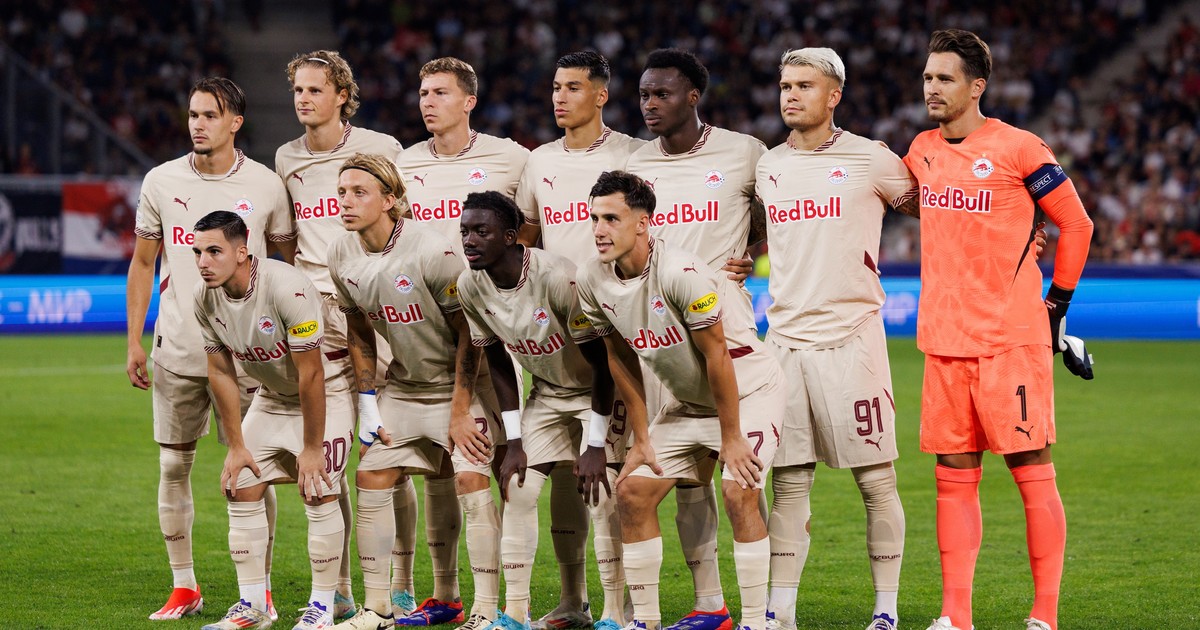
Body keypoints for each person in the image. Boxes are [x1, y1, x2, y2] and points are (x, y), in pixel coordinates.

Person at [901, 29, 1093, 630]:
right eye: (927, 77)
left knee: (1030, 470)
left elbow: (1077, 224)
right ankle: (955, 616)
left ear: (977, 86)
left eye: (945, 78)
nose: (932, 88)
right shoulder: (921, 150)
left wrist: (1056, 304)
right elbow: (889, 197)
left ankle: (1044, 617)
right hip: (943, 340)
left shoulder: (1020, 149)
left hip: (1010, 340)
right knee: (953, 479)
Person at [576, 171, 783, 630]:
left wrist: (731, 438)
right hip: (687, 403)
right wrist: (642, 438)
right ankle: (645, 622)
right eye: (594, 218)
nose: (599, 230)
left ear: (643, 224)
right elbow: (619, 358)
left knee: (738, 490)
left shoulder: (680, 273)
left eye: (611, 218)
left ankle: (754, 622)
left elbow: (718, 356)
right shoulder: (590, 278)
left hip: (748, 391)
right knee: (631, 492)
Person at [755, 48, 917, 630]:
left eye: (804, 85)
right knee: (788, 483)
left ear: (834, 96)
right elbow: (753, 232)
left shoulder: (872, 159)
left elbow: (938, 213)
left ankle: (885, 610)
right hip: (785, 342)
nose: (790, 95)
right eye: (785, 85)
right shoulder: (768, 167)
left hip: (853, 341)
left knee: (876, 480)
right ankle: (781, 612)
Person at [126, 76, 295, 622]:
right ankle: (184, 586)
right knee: (173, 464)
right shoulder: (161, 180)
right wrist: (133, 340)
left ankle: (260, 592)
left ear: (235, 122)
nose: (197, 125)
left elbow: (285, 265)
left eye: (209, 115)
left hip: (247, 354)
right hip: (177, 347)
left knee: (253, 470)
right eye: (193, 115)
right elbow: (143, 263)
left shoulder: (266, 184)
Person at [324, 154, 503, 630]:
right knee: (372, 476)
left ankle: (486, 610)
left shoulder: (431, 251)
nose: (346, 201)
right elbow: (359, 330)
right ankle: (377, 608)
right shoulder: (340, 253)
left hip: (463, 384)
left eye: (359, 192)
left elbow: (469, 332)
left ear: (390, 200)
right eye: (341, 192)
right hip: (404, 385)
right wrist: (367, 403)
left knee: (471, 481)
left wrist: (460, 411)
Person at [623, 48, 766, 630]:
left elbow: (773, 213)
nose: (650, 105)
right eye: (644, 95)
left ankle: (763, 605)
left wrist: (749, 252)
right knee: (684, 476)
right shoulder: (636, 163)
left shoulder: (743, 152)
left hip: (725, 330)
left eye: (662, 94)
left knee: (741, 474)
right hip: (660, 339)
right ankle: (710, 604)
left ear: (693, 97)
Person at [274, 49, 415, 621]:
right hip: (315, 315)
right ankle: (343, 589)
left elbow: (405, 221)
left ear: (341, 95)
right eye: (298, 90)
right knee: (334, 455)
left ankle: (400, 583)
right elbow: (288, 239)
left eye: (315, 90)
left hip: (373, 308)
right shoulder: (286, 157)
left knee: (386, 448)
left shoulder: (382, 148)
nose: (304, 100)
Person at [514, 50, 643, 630]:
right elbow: (526, 238)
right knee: (567, 475)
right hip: (555, 338)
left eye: (572, 87)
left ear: (601, 95)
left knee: (615, 477)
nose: (559, 98)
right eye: (555, 87)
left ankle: (626, 606)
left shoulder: (632, 156)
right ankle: (574, 600)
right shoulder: (538, 161)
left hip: (619, 332)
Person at [456, 190, 622, 630]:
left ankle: (614, 613)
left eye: (481, 231)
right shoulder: (470, 285)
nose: (469, 241)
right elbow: (497, 361)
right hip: (547, 393)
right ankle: (515, 613)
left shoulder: (558, 278)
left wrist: (595, 444)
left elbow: (604, 365)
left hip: (597, 393)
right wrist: (513, 441)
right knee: (518, 487)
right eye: (465, 231)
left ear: (511, 237)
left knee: (602, 495)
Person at [192, 210, 354, 630]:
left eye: (214, 251)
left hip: (327, 391)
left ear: (241, 252)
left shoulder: (286, 287)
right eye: (197, 252)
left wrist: (312, 448)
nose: (203, 262)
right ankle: (253, 607)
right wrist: (236, 446)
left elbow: (311, 374)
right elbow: (220, 373)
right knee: (240, 484)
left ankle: (323, 608)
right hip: (272, 397)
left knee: (318, 489)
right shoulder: (204, 297)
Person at [400, 57, 530, 256]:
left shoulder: (510, 156)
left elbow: (530, 232)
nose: (427, 102)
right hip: (429, 277)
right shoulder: (405, 162)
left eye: (440, 93)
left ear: (469, 102)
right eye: (423, 94)